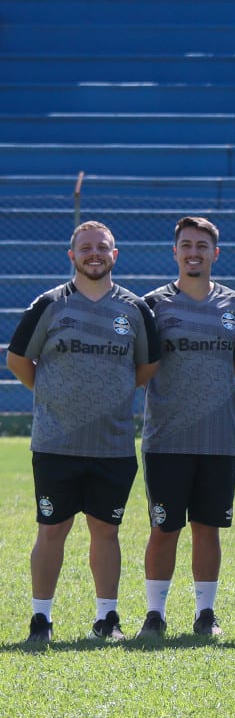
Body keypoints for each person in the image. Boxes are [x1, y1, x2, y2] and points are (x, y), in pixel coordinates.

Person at [7, 221, 161, 643]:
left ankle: (106, 619)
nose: (95, 254)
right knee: (52, 528)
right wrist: (53, 395)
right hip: (56, 442)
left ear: (116, 255)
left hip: (112, 444)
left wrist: (108, 396)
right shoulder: (50, 304)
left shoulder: (134, 310)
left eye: (102, 248)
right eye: (86, 248)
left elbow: (147, 366)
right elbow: (18, 360)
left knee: (106, 531)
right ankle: (41, 619)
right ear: (71, 255)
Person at [138, 216, 235, 637]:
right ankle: (155, 613)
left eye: (202, 246)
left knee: (208, 528)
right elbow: (144, 362)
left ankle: (206, 613)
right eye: (186, 245)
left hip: (219, 438)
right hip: (166, 438)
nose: (193, 253)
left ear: (214, 253)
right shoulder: (152, 305)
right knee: (164, 527)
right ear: (175, 252)